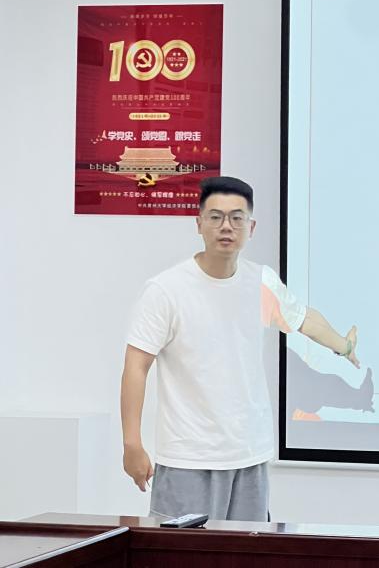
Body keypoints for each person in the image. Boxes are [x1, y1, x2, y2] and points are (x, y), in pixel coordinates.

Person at [120, 175, 360, 521]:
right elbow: (136, 365)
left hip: (249, 455)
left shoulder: (260, 281)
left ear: (251, 227)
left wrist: (344, 346)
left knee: (246, 548)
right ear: (199, 223)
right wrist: (132, 443)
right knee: (181, 549)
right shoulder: (166, 290)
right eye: (216, 217)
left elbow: (304, 319)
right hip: (188, 457)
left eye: (237, 218)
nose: (226, 227)